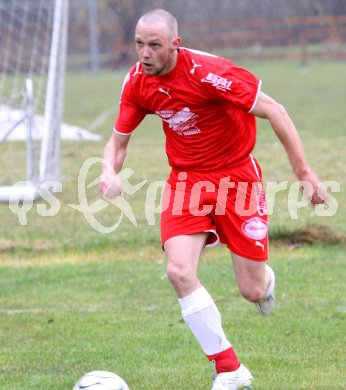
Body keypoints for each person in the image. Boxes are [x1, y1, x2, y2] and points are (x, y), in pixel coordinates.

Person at [100, 9, 328, 390]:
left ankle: (265, 281)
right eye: (139, 44)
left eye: (154, 45)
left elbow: (275, 110)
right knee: (178, 271)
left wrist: (304, 175)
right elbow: (118, 142)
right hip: (186, 183)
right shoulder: (138, 81)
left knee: (251, 289)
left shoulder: (209, 72)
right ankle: (230, 369)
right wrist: (109, 171)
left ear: (175, 43)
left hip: (237, 178)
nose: (144, 53)